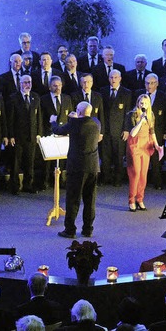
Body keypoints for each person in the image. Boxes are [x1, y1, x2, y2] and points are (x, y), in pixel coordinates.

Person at [51, 102, 101, 238]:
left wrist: (53, 121)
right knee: (90, 200)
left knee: (73, 199)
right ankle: (88, 229)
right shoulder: (96, 123)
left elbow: (58, 130)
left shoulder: (74, 124)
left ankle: (70, 230)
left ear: (78, 112)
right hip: (93, 166)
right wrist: (75, 118)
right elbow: (87, 120)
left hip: (77, 167)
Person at [125, 94, 163, 212]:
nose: (144, 105)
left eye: (146, 103)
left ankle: (140, 199)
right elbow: (132, 133)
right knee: (135, 173)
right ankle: (131, 200)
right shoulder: (132, 114)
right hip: (135, 145)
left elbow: (152, 131)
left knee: (143, 174)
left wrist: (156, 145)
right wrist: (141, 121)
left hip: (145, 146)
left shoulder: (151, 115)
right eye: (141, 103)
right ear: (138, 103)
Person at [133, 73, 166, 189]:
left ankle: (157, 182)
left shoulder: (164, 96)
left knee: (156, 159)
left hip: (157, 131)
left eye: (152, 83)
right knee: (141, 158)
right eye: (147, 83)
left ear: (157, 84)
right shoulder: (139, 95)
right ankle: (139, 183)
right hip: (141, 132)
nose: (149, 85)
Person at [7, 75, 42, 195]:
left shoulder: (35, 97)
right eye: (25, 82)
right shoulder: (13, 98)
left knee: (30, 162)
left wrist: (39, 133)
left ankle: (28, 185)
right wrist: (10, 135)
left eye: (30, 82)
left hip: (31, 136)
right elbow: (10, 119)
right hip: (17, 136)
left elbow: (39, 117)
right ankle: (15, 186)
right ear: (20, 84)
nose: (28, 84)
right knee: (15, 163)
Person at [99, 69, 132, 186]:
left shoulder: (126, 93)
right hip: (105, 130)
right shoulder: (102, 91)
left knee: (118, 156)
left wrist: (127, 129)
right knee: (105, 156)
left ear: (120, 79)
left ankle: (118, 180)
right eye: (111, 77)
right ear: (109, 78)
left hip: (119, 131)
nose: (113, 80)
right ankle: (105, 178)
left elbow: (128, 113)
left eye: (116, 77)